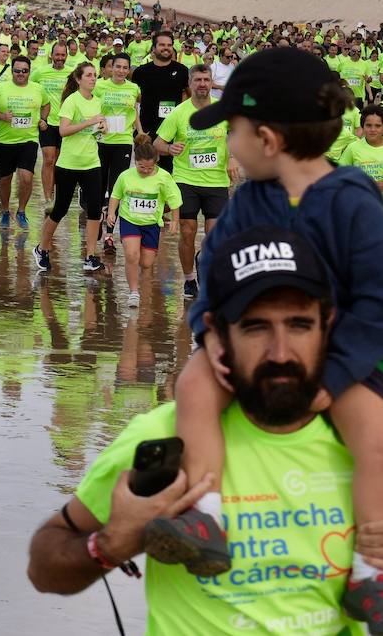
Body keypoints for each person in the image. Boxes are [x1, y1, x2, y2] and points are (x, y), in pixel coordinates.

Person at [28, 226, 382, 633]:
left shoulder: (368, 443)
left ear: (329, 326)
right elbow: (44, 564)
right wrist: (112, 544)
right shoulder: (167, 434)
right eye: (255, 327)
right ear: (217, 333)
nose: (281, 352)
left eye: (300, 325)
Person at [162, 49, 383, 622]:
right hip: (255, 348)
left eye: (232, 132)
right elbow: (215, 270)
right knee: (192, 385)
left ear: (267, 139)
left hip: (343, 358)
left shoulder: (355, 202)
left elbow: (375, 304)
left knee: (375, 436)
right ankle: (205, 513)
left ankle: (372, 569)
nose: (227, 146)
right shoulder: (251, 200)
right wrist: (208, 333)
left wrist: (334, 379)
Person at [155, 64, 235, 299]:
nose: (202, 84)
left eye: (206, 80)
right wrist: (170, 148)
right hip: (185, 180)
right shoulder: (179, 113)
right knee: (188, 232)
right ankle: (190, 279)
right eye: (197, 80)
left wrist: (232, 157)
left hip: (217, 182)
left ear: (211, 83)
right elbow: (158, 143)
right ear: (190, 84)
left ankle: (203, 259)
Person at [34, 62, 106, 274]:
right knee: (60, 209)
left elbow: (96, 133)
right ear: (78, 79)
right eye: (89, 75)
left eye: (95, 75)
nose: (93, 78)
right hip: (69, 163)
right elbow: (64, 131)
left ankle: (90, 256)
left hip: (92, 162)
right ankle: (42, 249)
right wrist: (89, 122)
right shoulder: (71, 101)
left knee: (94, 210)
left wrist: (102, 129)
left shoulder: (98, 102)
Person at [104, 140, 180, 308]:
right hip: (129, 220)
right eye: (141, 167)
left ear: (156, 163)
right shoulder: (126, 176)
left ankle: (138, 273)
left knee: (146, 263)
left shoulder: (163, 177)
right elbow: (115, 195)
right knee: (131, 255)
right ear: (135, 162)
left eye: (149, 168)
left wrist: (175, 220)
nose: (145, 171)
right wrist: (111, 213)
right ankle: (133, 292)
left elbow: (174, 199)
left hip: (151, 223)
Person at [0, 55, 48, 229]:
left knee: (26, 178)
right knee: (5, 179)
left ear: (29, 71)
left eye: (24, 71)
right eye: (17, 71)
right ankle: (5, 211)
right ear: (12, 71)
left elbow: (46, 104)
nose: (21, 74)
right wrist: (2, 117)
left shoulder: (38, 89)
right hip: (4, 141)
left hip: (29, 139)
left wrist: (43, 119)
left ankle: (21, 211)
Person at [94, 52, 141, 252]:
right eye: (118, 67)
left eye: (125, 67)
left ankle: (109, 235)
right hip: (101, 141)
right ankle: (95, 218)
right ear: (110, 68)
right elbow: (91, 108)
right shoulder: (99, 86)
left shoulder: (134, 88)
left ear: (128, 70)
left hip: (122, 142)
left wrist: (140, 130)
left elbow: (135, 111)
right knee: (98, 184)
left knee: (116, 189)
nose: (121, 71)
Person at [131, 31, 189, 170]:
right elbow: (133, 100)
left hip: (172, 130)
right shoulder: (141, 72)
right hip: (147, 130)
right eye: (162, 45)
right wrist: (138, 129)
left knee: (168, 172)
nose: (166, 48)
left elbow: (189, 95)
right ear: (153, 48)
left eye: (169, 45)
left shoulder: (181, 70)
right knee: (145, 170)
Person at [31, 42, 74, 203]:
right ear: (51, 55)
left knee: (60, 161)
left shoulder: (73, 73)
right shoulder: (40, 73)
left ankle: (57, 194)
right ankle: (48, 198)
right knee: (49, 160)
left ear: (67, 56)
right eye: (57, 55)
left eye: (63, 55)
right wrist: (38, 118)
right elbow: (31, 91)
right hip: (47, 123)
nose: (60, 58)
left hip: (66, 123)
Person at [340, 104, 383, 188]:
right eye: (368, 125)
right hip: (359, 199)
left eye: (378, 126)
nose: (373, 130)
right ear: (362, 126)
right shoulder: (352, 148)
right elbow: (340, 174)